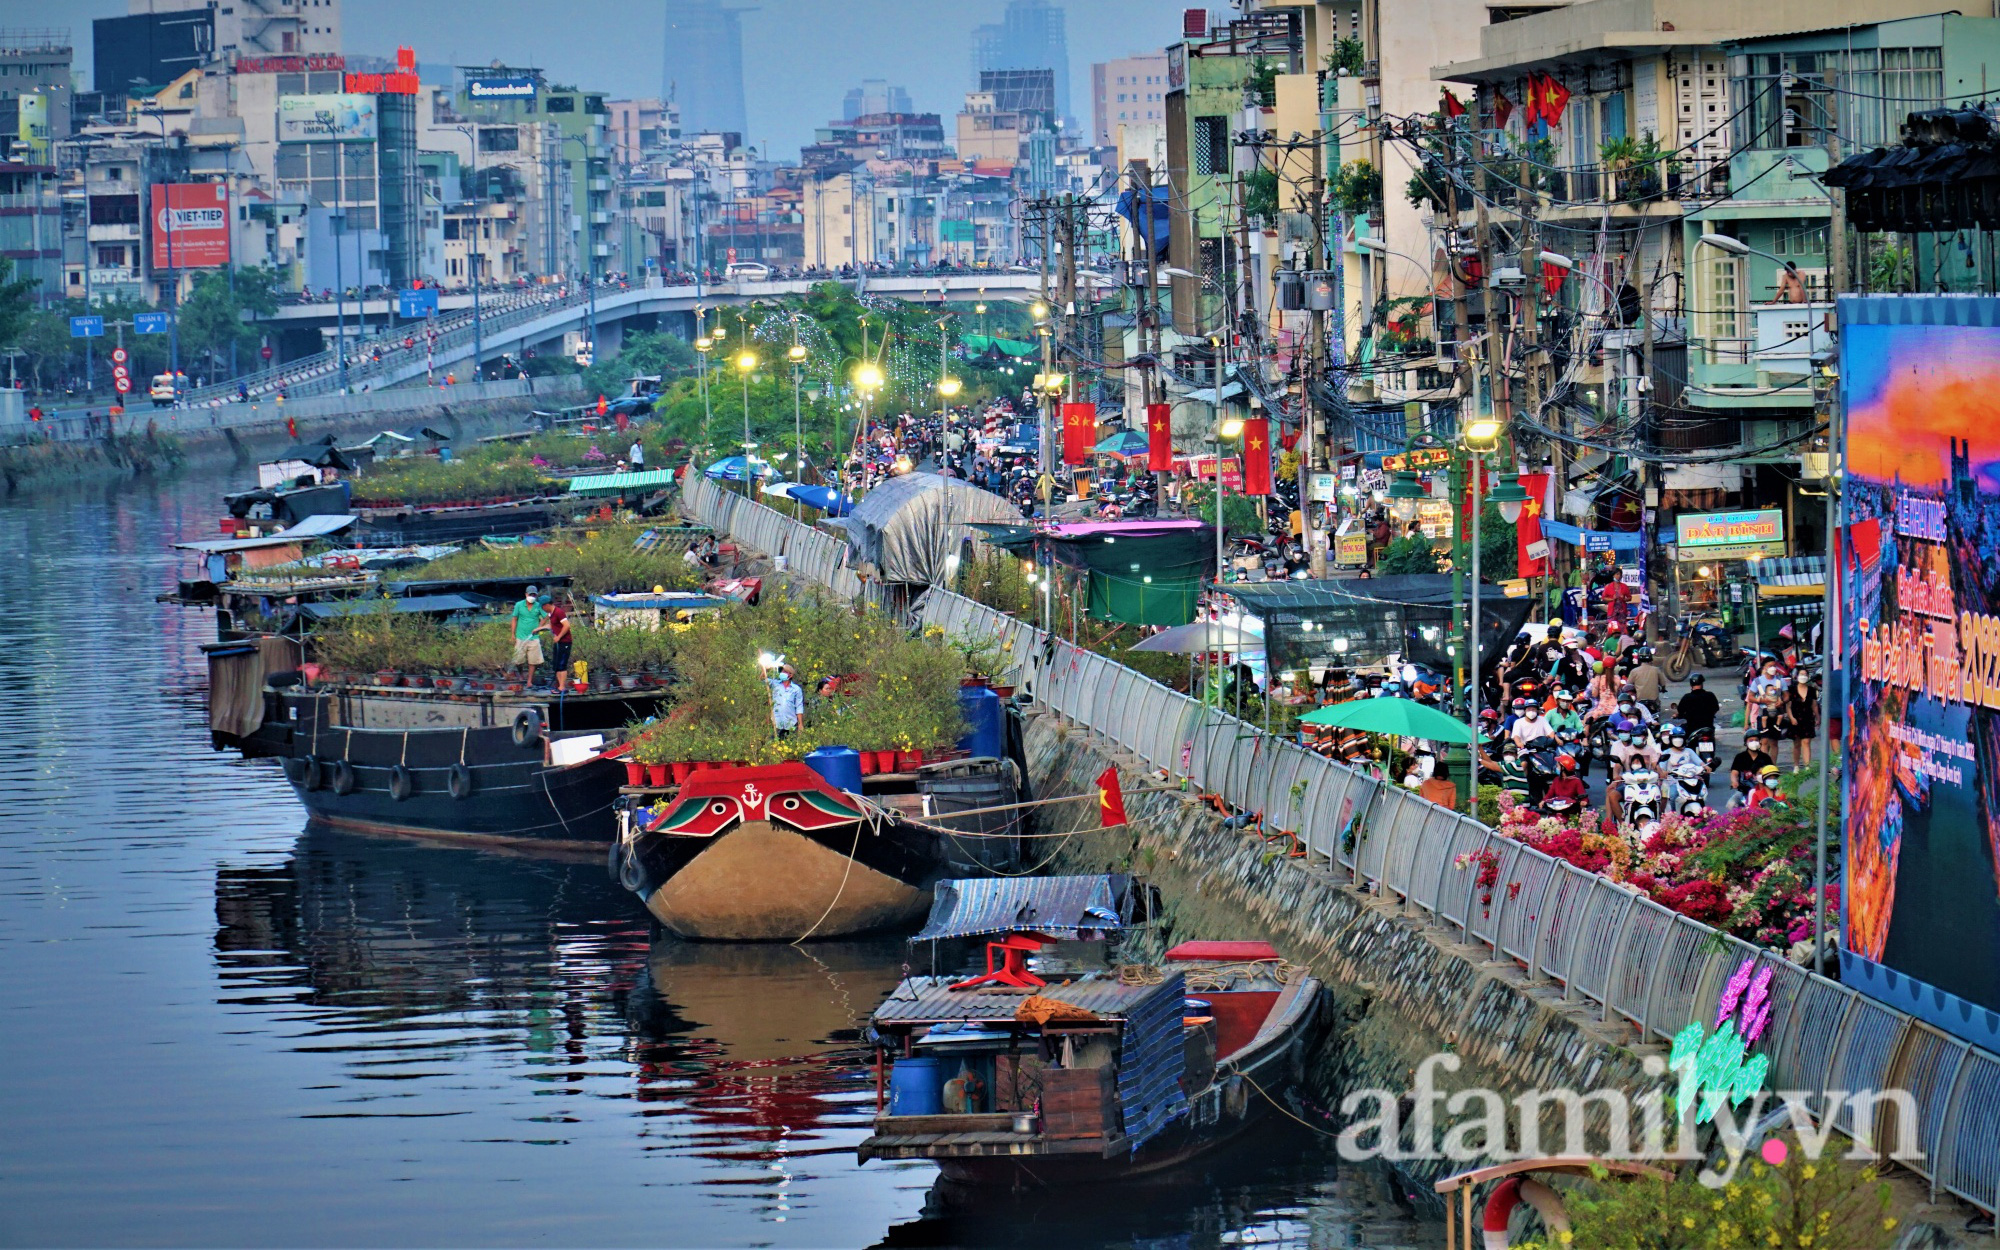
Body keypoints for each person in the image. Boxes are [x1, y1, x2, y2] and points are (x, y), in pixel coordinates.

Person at [1774, 672, 1820, 768]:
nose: (1803, 677)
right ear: (1797, 677)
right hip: (1796, 719)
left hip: (1808, 718)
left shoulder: (1812, 690)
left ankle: (1807, 766)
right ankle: (1796, 765)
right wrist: (1791, 718)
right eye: (1801, 674)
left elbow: (1814, 705)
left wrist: (1818, 717)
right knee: (1797, 743)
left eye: (1805, 675)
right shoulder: (1792, 690)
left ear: (1808, 677)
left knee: (1806, 742)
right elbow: (1788, 706)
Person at [511, 585, 549, 686]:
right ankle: (521, 673)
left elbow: (546, 616)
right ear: (526, 594)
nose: (532, 596)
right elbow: (514, 619)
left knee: (533, 661)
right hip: (520, 636)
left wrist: (540, 626)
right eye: (530, 594)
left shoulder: (538, 606)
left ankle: (529, 681)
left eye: (534, 595)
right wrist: (512, 634)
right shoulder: (519, 605)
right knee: (518, 660)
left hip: (533, 637)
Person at [547, 592, 573, 691]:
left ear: (547, 605)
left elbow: (567, 625)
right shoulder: (551, 614)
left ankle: (562, 686)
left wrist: (559, 636)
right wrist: (539, 629)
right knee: (556, 664)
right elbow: (552, 626)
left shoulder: (559, 612)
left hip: (565, 642)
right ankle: (559, 686)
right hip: (557, 643)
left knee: (562, 664)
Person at [1627, 650, 1668, 714]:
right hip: (1654, 702)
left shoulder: (1634, 671)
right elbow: (1663, 683)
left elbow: (1628, 685)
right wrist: (1663, 688)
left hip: (1639, 701)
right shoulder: (1656, 670)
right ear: (1651, 658)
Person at [768, 665, 804, 738]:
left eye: (784, 672)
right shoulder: (775, 684)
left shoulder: (796, 689)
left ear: (790, 675)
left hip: (790, 723)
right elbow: (761, 679)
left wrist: (800, 724)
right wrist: (766, 668)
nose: (782, 673)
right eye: (782, 671)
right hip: (776, 723)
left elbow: (799, 707)